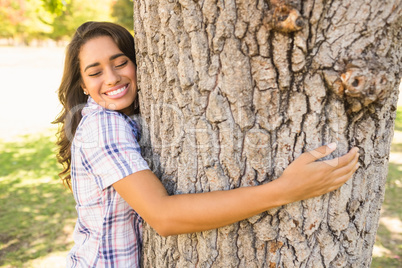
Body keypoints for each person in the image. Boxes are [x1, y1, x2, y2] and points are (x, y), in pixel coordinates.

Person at [54, 21, 359, 267]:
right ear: (82, 83)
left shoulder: (125, 119)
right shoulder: (103, 124)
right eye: (94, 72)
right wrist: (285, 190)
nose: (111, 78)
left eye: (121, 62)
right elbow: (163, 216)